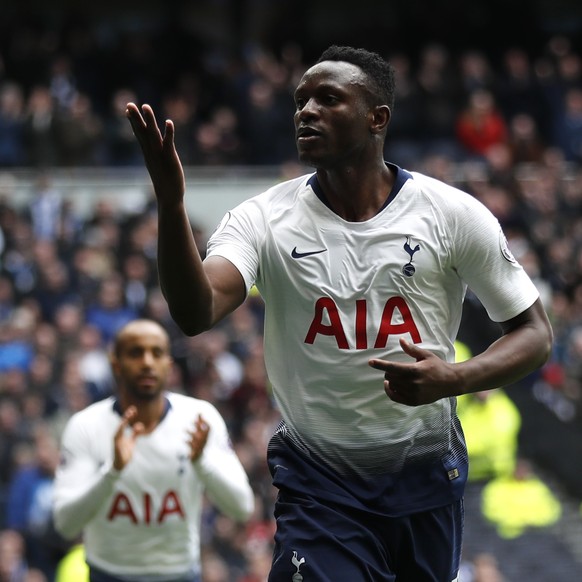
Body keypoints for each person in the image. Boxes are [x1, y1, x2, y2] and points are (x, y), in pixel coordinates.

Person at [126, 45, 553, 582]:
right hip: (318, 483)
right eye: (301, 101)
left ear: (378, 119)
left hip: (424, 475)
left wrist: (454, 378)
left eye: (328, 99)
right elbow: (197, 310)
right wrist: (171, 205)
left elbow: (534, 334)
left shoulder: (451, 214)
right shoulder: (263, 219)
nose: (306, 111)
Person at [52, 319, 254, 582]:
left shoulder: (199, 419)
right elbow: (66, 524)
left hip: (179, 573)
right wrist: (112, 472)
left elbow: (243, 508)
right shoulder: (86, 426)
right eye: (136, 353)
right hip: (109, 573)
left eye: (156, 353)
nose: (147, 362)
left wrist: (202, 463)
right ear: (116, 364)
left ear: (169, 366)